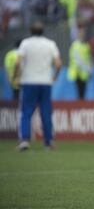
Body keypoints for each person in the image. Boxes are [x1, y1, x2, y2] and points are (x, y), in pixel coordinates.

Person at [14, 21, 62, 151]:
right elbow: (58, 64)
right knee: (46, 112)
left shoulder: (25, 43)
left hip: (28, 81)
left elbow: (18, 63)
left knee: (26, 112)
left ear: (30, 31)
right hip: (45, 82)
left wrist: (15, 77)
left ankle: (24, 140)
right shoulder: (50, 44)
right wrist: (55, 77)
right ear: (43, 31)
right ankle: (49, 141)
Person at [67, 25, 92, 99]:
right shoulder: (75, 45)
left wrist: (90, 70)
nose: (83, 35)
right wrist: (87, 69)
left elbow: (88, 58)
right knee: (79, 92)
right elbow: (77, 60)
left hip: (84, 73)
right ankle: (78, 108)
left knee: (82, 93)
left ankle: (81, 108)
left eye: (83, 33)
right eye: (81, 33)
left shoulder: (86, 45)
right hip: (77, 73)